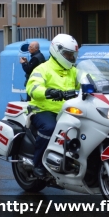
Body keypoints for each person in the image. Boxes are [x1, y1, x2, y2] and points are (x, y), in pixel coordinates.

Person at [26, 34, 79, 178]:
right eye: (67, 54)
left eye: (72, 54)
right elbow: (32, 88)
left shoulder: (73, 71)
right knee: (49, 128)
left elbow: (88, 82)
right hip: (43, 109)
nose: (70, 57)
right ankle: (38, 165)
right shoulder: (42, 69)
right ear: (57, 52)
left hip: (68, 111)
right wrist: (48, 92)